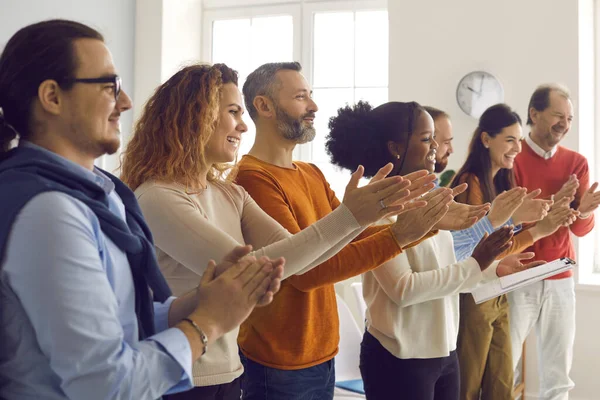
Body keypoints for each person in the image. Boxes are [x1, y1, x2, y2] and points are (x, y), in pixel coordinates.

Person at [0, 19, 286, 400]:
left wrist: (205, 301)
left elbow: (123, 319)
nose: (126, 102)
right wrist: (208, 324)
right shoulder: (49, 213)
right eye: (108, 86)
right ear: (52, 97)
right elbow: (106, 385)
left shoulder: (106, 195)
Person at [120, 63, 420, 400]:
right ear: (196, 116)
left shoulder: (230, 193)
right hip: (182, 377)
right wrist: (355, 217)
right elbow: (250, 269)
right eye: (233, 112)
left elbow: (294, 256)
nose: (243, 125)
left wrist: (366, 218)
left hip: (230, 371)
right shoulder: (158, 196)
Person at [234, 62, 493, 399]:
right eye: (301, 97)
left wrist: (426, 224)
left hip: (322, 353)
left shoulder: (310, 173)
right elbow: (305, 273)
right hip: (279, 361)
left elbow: (350, 240)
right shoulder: (254, 178)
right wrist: (399, 233)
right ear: (263, 106)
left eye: (311, 96)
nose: (313, 106)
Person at [325, 100, 548, 400]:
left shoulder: (432, 200)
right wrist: (476, 263)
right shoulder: (376, 210)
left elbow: (448, 267)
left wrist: (492, 269)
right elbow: (404, 289)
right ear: (395, 148)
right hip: (399, 360)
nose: (437, 147)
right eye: (427, 139)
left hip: (444, 353)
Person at [449, 103, 578, 400]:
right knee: (468, 386)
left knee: (502, 384)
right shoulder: (471, 182)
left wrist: (542, 225)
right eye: (509, 140)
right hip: (475, 295)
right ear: (486, 139)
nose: (517, 149)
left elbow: (503, 245)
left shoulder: (500, 182)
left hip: (498, 293)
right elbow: (471, 248)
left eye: (519, 141)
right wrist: (533, 227)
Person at [509, 84, 600, 400]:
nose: (565, 123)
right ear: (534, 114)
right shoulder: (511, 157)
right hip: (517, 275)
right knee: (505, 367)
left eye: (570, 118)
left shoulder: (577, 163)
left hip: (560, 276)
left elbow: (580, 230)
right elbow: (507, 221)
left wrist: (584, 212)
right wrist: (554, 204)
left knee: (558, 375)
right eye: (558, 115)